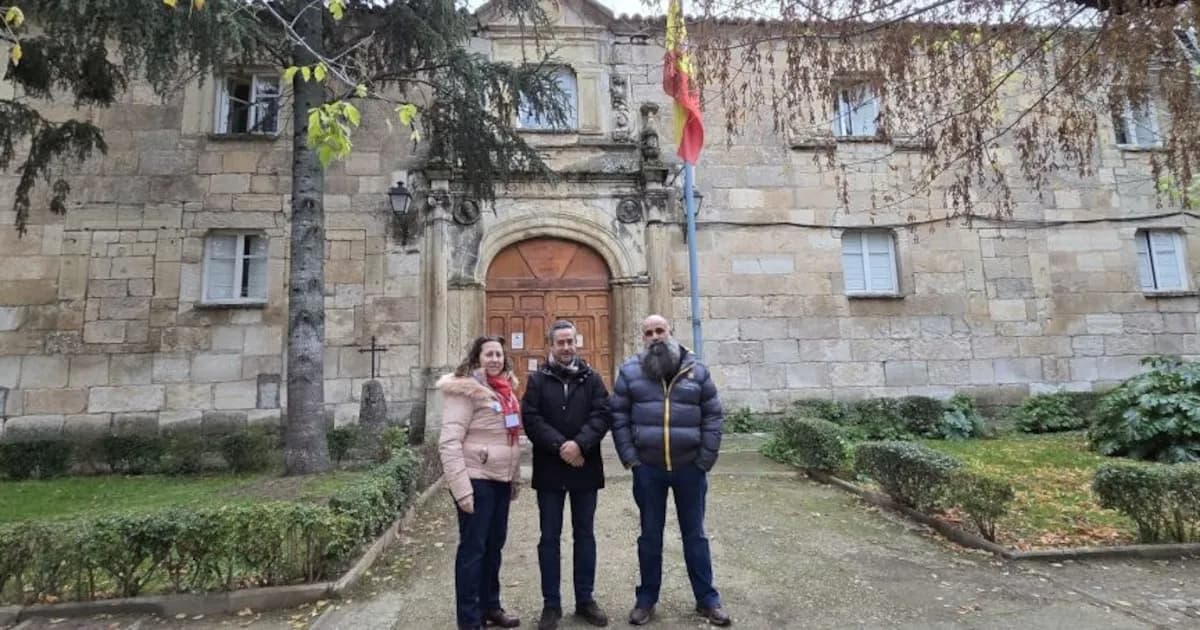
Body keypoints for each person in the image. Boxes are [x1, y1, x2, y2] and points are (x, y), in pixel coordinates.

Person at [610, 314, 732, 627]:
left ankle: (707, 600)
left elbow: (713, 416)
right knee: (650, 537)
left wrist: (705, 459)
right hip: (648, 469)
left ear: (671, 332)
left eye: (660, 330)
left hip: (690, 468)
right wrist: (631, 459)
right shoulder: (630, 371)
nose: (655, 337)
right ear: (643, 337)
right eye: (649, 332)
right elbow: (619, 417)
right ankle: (646, 600)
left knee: (695, 535)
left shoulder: (697, 370)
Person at [521, 320, 612, 630]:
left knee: (584, 535)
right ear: (551, 346)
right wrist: (561, 446)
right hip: (550, 470)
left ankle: (585, 599)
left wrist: (580, 444)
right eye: (560, 342)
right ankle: (551, 604)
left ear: (577, 342)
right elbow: (531, 418)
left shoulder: (593, 379)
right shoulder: (537, 380)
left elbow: (602, 415)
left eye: (570, 341)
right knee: (549, 538)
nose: (566, 347)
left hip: (584, 467)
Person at [438, 335, 523, 630]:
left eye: (499, 354)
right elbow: (449, 443)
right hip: (476, 480)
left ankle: (491, 606)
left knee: (494, 547)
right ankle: (470, 620)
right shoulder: (465, 391)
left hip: (499, 480)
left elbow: (511, 439)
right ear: (477, 359)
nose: (495, 359)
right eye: (489, 354)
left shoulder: (506, 391)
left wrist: (513, 479)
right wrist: (461, 490)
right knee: (472, 551)